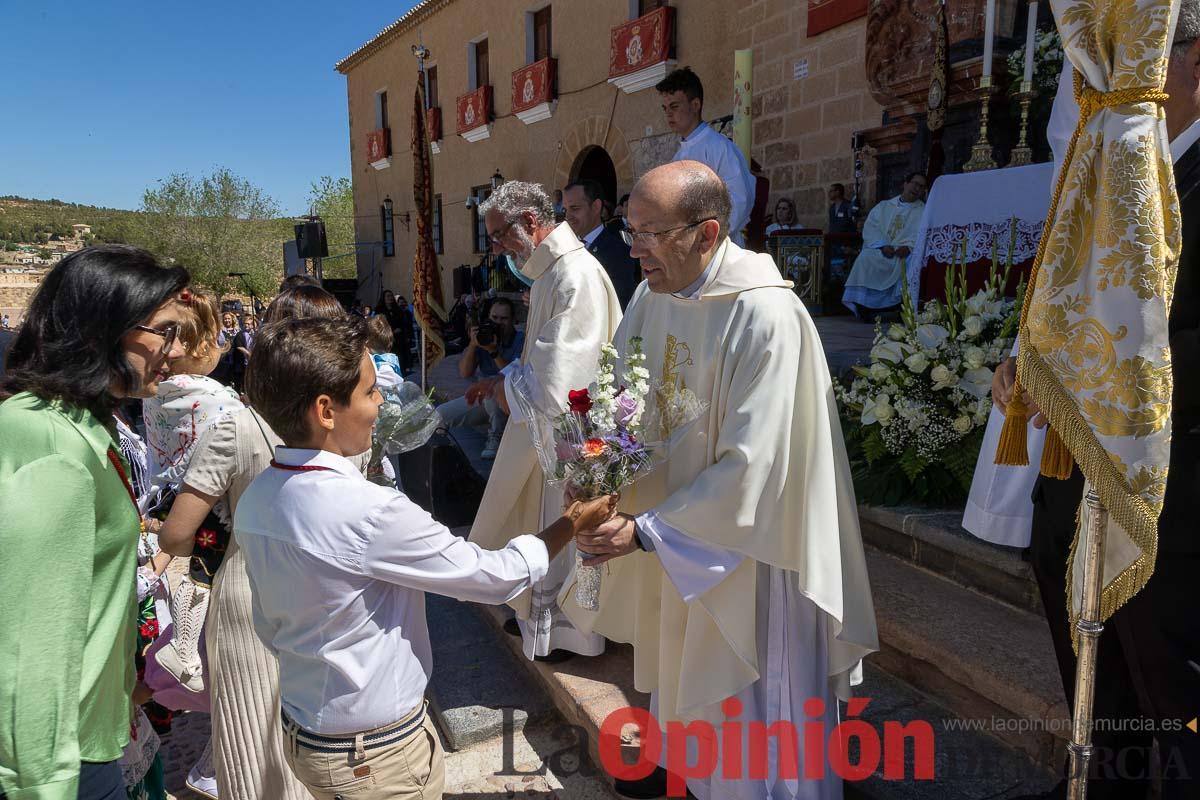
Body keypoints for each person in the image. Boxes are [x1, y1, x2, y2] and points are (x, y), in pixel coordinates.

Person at [570, 162, 878, 800]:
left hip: (754, 553)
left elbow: (756, 468)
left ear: (706, 234)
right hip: (673, 540)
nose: (634, 250)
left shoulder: (768, 316)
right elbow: (616, 393)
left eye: (650, 233)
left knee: (753, 715)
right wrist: (593, 467)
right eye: (630, 231)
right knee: (686, 686)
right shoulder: (652, 296)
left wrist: (649, 531)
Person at [234, 315, 617, 800]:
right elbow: (494, 576)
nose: (380, 404)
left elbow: (272, 625)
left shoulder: (258, 497)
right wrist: (572, 523)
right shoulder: (368, 512)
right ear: (326, 410)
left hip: (307, 730)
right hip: (374, 755)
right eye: (371, 392)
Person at [997, 15, 1200, 797]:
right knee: (1092, 650)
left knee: (1168, 676)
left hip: (1172, 491)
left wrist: (1098, 378)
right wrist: (1025, 364)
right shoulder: (1100, 163)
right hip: (1077, 475)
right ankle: (1105, 779)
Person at [0, 245, 189, 800]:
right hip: (61, 762)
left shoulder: (80, 423)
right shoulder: (50, 440)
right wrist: (44, 784)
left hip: (91, 738)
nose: (173, 353)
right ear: (100, 331)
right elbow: (29, 646)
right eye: (164, 333)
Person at [155, 285, 349, 800]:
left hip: (247, 598)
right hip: (323, 595)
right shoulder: (341, 422)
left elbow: (177, 534)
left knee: (251, 750)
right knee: (314, 741)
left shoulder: (234, 425)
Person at [467, 180, 623, 663]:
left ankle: (572, 632)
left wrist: (506, 388)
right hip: (548, 434)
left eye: (498, 236)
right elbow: (539, 359)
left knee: (565, 528)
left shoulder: (575, 275)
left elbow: (563, 380)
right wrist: (503, 380)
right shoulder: (550, 275)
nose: (495, 249)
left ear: (531, 223)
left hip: (573, 436)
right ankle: (542, 622)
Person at [657, 67, 755, 246]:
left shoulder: (720, 148)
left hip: (717, 249)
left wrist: (705, 237)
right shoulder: (678, 156)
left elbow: (741, 199)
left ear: (695, 105)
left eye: (674, 106)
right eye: (665, 108)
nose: (668, 114)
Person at [438, 296, 522, 459]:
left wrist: (493, 351)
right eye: (494, 318)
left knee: (493, 393)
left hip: (508, 398)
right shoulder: (484, 335)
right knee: (440, 414)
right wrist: (472, 344)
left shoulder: (520, 340)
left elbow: (514, 375)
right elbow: (464, 372)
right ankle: (444, 456)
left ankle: (495, 439)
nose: (498, 323)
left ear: (513, 320)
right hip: (481, 398)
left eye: (504, 319)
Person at [841, 171, 927, 317]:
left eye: (921, 186)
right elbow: (871, 227)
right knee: (865, 257)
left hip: (904, 253)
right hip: (883, 249)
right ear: (905, 184)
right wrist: (882, 245)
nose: (917, 188)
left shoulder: (924, 211)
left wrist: (909, 247)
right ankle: (864, 305)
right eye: (915, 184)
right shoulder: (884, 206)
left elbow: (923, 234)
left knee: (911, 262)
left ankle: (894, 306)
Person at [563, 179, 641, 309]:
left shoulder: (619, 252)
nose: (568, 216)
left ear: (596, 207)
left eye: (575, 208)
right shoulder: (564, 248)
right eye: (565, 210)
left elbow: (619, 304)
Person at [376, 289, 413, 375]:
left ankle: (402, 371)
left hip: (399, 338)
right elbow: (379, 325)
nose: (390, 298)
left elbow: (403, 323)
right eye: (388, 296)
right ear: (384, 298)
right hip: (386, 338)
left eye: (391, 296)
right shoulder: (379, 310)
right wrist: (392, 331)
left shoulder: (398, 310)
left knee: (400, 354)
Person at [231, 314, 258, 392]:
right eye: (245, 324)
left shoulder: (255, 335)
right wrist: (249, 354)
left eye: (249, 324)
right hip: (241, 362)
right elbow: (239, 346)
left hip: (252, 363)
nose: (246, 325)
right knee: (240, 380)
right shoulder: (240, 334)